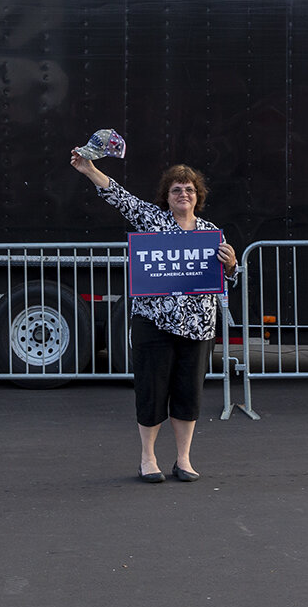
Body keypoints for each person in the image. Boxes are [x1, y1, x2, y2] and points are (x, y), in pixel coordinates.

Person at [69, 151, 239, 483]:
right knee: (152, 389)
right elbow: (121, 198)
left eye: (189, 189)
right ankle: (148, 458)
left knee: (189, 392)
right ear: (167, 196)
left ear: (197, 196)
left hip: (198, 326)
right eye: (177, 189)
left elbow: (225, 278)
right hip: (154, 323)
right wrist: (90, 170)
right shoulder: (154, 222)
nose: (184, 194)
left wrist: (231, 265)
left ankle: (184, 459)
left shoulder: (210, 232)